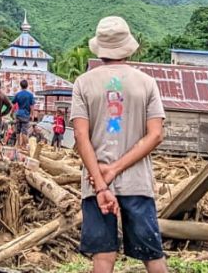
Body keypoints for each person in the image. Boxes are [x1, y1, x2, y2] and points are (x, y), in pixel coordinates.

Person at [71, 16, 168, 273]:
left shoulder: (83, 83)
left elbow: (81, 137)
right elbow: (156, 134)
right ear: (127, 46)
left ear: (99, 47)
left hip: (95, 181)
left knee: (103, 256)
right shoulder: (146, 83)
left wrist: (103, 181)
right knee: (152, 254)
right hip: (137, 182)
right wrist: (116, 169)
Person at [13, 79, 35, 147]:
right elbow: (32, 106)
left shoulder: (18, 94)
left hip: (18, 113)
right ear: (27, 86)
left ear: (20, 86)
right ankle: (26, 146)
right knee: (24, 132)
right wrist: (32, 115)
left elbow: (13, 103)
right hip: (26, 115)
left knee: (17, 131)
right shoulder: (30, 95)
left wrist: (12, 113)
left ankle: (18, 145)